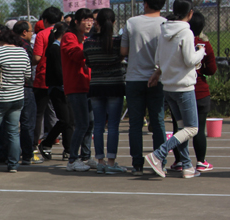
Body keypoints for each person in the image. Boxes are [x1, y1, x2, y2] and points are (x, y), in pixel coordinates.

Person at [145, 0, 205, 179]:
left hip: (168, 86)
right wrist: (200, 51)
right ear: (190, 13)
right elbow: (189, 60)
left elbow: (159, 58)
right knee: (192, 128)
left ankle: (187, 166)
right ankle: (158, 154)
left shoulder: (164, 30)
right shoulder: (186, 31)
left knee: (181, 127)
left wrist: (158, 73)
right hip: (184, 87)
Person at [121, 0, 167, 175]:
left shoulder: (132, 22)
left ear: (145, 4)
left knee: (135, 124)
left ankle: (137, 164)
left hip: (134, 78)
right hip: (157, 78)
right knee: (158, 121)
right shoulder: (165, 24)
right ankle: (160, 161)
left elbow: (124, 51)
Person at [168, 10, 216, 173]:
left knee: (179, 127)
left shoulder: (177, 41)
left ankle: (179, 160)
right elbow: (212, 69)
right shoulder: (204, 45)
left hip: (179, 89)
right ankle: (201, 161)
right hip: (200, 91)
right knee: (198, 129)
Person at [0, 28, 31, 173]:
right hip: (18, 97)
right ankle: (13, 164)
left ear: (1, 41)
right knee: (13, 132)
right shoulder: (23, 52)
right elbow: (28, 74)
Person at [84, 8, 127, 174]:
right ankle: (111, 161)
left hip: (95, 86)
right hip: (115, 85)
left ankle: (100, 160)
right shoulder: (118, 42)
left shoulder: (88, 43)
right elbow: (121, 57)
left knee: (98, 125)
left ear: (97, 23)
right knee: (114, 126)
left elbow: (88, 63)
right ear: (114, 22)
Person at [61, 8, 97, 172]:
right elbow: (75, 55)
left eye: (91, 20)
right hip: (75, 87)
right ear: (77, 21)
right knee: (82, 123)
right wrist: (91, 46)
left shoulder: (84, 38)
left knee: (89, 123)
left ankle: (86, 157)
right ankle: (73, 159)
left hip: (86, 85)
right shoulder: (70, 37)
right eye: (86, 20)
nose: (90, 23)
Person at [38, 23, 73, 161]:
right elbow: (59, 72)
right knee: (65, 120)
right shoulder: (55, 48)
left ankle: (69, 149)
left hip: (63, 88)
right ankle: (47, 143)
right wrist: (66, 84)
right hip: (58, 89)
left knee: (69, 120)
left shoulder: (58, 48)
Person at [32, 7, 63, 151]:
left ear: (44, 20)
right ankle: (67, 148)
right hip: (61, 79)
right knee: (63, 115)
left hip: (43, 78)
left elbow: (37, 58)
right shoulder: (66, 34)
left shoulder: (42, 34)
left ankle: (34, 144)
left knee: (38, 114)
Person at [13, 20, 41, 165]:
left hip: (9, 87)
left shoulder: (8, 44)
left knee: (10, 124)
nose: (32, 34)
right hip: (25, 86)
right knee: (27, 122)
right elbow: (31, 63)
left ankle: (11, 155)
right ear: (24, 32)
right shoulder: (25, 46)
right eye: (31, 31)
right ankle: (28, 154)